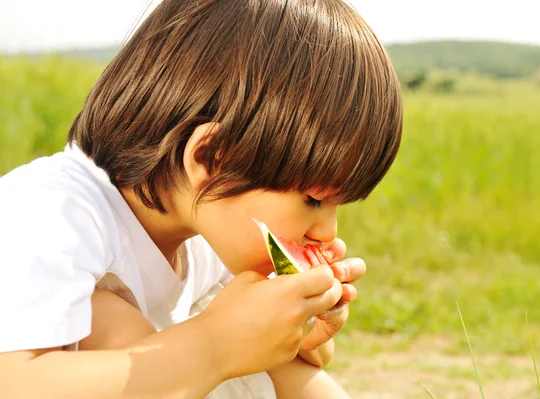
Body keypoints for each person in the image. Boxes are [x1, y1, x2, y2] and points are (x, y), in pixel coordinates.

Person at [0, 0, 403, 397]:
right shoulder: (50, 214)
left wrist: (303, 322)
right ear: (211, 158)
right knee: (107, 318)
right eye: (314, 200)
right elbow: (14, 383)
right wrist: (216, 344)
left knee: (266, 347)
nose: (327, 230)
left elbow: (303, 364)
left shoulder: (208, 229)